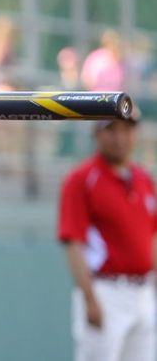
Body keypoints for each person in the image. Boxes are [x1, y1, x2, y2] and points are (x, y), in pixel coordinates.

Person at [57, 109, 157, 361]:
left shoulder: (144, 179)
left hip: (143, 292)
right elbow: (73, 242)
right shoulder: (82, 179)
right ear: (97, 133)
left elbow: (151, 239)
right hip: (105, 291)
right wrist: (89, 298)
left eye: (126, 129)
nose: (119, 137)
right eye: (111, 129)